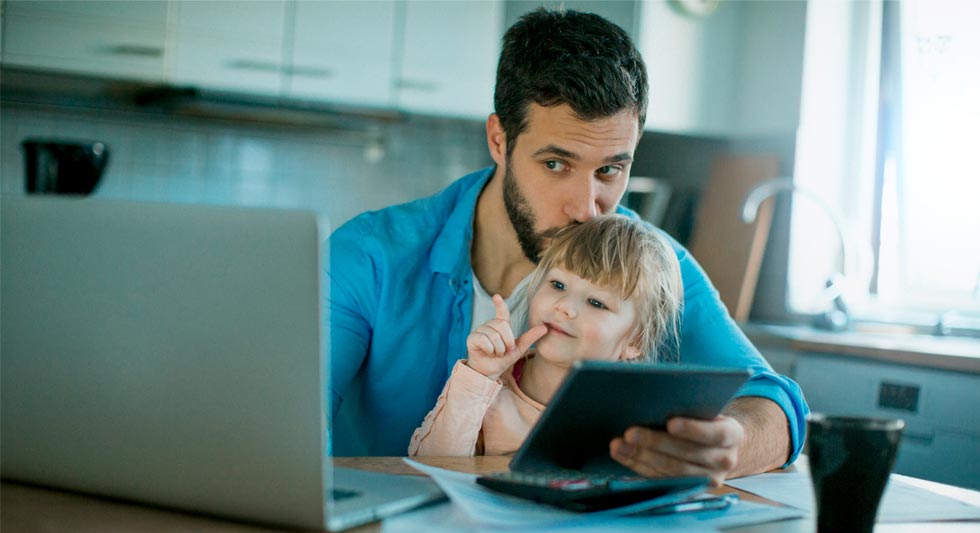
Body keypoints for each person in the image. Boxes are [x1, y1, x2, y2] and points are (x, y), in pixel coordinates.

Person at [328, 7, 808, 486]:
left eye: (610, 170)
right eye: (557, 164)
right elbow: (289, 411)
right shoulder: (371, 256)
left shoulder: (647, 268)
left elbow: (776, 403)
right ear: (499, 139)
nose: (587, 209)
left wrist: (730, 445)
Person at [408, 215, 682, 458]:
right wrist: (477, 377)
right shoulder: (486, 388)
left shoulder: (640, 414)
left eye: (597, 303)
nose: (564, 306)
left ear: (636, 342)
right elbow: (429, 466)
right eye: (558, 284)